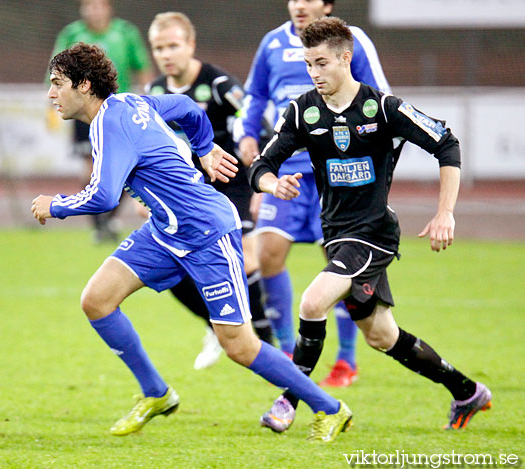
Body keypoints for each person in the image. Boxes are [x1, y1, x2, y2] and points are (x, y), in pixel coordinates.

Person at [32, 42, 352, 441]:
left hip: (207, 233)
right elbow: (187, 110)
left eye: (57, 84)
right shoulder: (131, 103)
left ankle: (331, 407)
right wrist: (203, 149)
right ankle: (156, 393)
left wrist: (55, 205)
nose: (51, 93)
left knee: (237, 345)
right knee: (96, 300)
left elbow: (103, 196)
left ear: (83, 85)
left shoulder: (111, 123)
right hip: (165, 232)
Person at [248, 17, 492, 433]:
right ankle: (467, 390)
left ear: (346, 58)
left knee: (312, 302)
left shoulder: (383, 108)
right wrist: (274, 184)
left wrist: (445, 212)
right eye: (309, 65)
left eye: (322, 63)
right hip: (336, 233)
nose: (314, 73)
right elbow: (261, 165)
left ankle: (290, 401)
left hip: (374, 233)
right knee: (381, 336)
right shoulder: (303, 110)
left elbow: (447, 143)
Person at [238, 0, 391, 391]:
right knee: (268, 253)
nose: (299, 5)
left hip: (336, 171)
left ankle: (346, 360)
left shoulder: (352, 42)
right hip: (287, 169)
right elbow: (254, 95)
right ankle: (290, 353)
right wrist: (249, 134)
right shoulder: (272, 43)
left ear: (327, 4)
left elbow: (380, 99)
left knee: (338, 266)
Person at [146, 11, 273, 370]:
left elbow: (257, 126)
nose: (166, 54)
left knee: (247, 259)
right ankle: (217, 327)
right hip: (187, 192)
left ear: (190, 45)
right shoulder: (154, 92)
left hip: (232, 182)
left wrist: (262, 181)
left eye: (173, 45)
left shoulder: (218, 84)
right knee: (170, 269)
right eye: (159, 48)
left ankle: (268, 344)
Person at [48, 0, 153, 242]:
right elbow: (53, 71)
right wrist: (51, 105)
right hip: (83, 110)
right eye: (89, 6)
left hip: (118, 111)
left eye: (98, 5)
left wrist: (147, 98)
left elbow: (143, 68)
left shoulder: (125, 33)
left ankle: (109, 219)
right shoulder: (72, 34)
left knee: (127, 166)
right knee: (90, 167)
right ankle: (99, 224)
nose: (94, 10)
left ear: (108, 8)